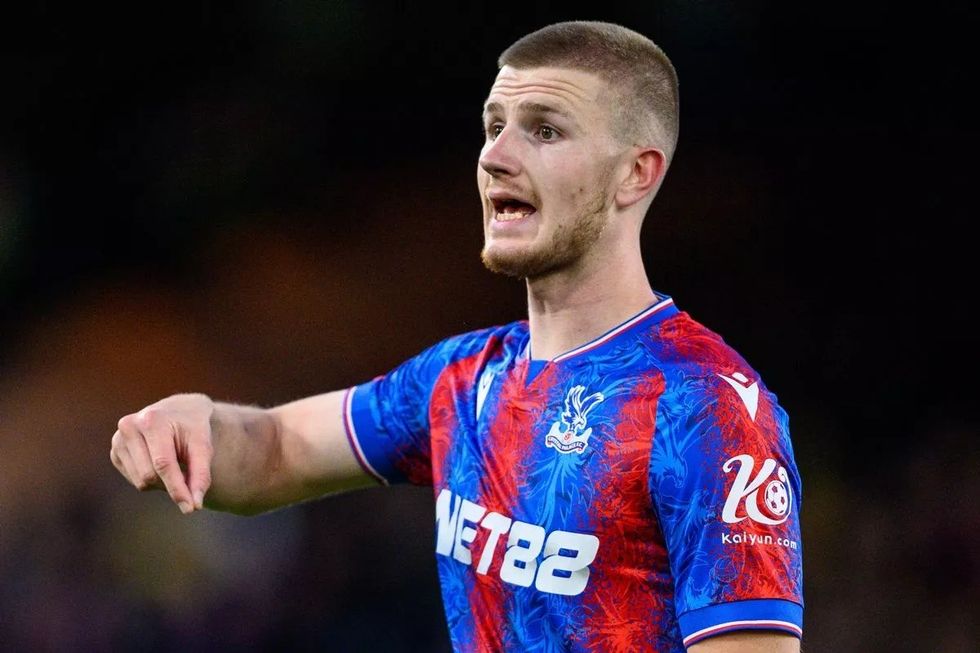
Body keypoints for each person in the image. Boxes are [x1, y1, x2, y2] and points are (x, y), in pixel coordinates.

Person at [110, 21, 803, 653]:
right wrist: (196, 422)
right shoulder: (464, 379)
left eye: (545, 131)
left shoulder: (704, 406)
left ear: (635, 173)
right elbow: (277, 449)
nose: (495, 156)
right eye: (493, 126)